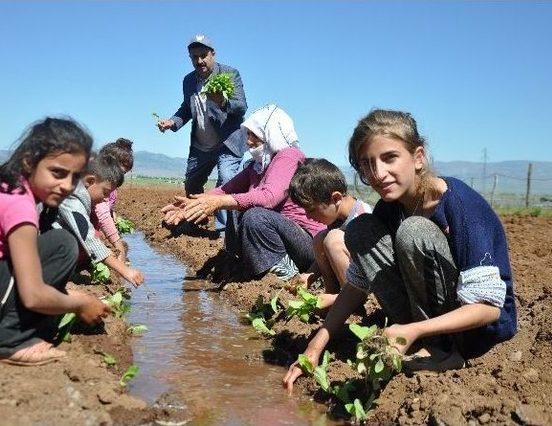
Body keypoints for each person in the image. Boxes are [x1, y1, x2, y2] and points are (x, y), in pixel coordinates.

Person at [283, 109, 517, 391]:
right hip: (422, 325)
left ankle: (442, 350)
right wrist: (317, 343)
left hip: (477, 333)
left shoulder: (461, 208)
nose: (378, 174)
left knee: (414, 231)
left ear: (418, 158)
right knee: (360, 230)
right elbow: (357, 283)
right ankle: (421, 340)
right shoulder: (388, 210)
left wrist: (414, 329)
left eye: (389, 158)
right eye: (367, 165)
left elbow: (490, 309)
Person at [0, 117, 111, 365]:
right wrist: (80, 303)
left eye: (74, 178)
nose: (66, 186)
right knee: (62, 245)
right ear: (29, 162)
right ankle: (6, 341)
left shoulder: (10, 189)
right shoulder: (18, 205)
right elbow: (33, 296)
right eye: (58, 173)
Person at [162, 104, 325, 281]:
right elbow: (225, 190)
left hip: (308, 243)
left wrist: (219, 202)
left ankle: (287, 276)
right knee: (236, 206)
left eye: (253, 134)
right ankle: (239, 262)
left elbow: (269, 198)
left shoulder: (288, 156)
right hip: (281, 238)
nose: (248, 141)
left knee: (255, 216)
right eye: (247, 134)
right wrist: (190, 204)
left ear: (269, 132)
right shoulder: (257, 165)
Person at [156, 34, 248, 232]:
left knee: (227, 179)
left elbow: (241, 107)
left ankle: (225, 233)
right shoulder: (188, 81)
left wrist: (222, 101)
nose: (199, 61)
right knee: (192, 183)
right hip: (201, 145)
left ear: (212, 54)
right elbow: (186, 109)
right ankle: (197, 219)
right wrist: (172, 122)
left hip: (228, 141)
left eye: (203, 55)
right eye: (194, 57)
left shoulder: (230, 74)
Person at [288, 158, 372, 308]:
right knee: (320, 239)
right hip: (353, 276)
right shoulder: (336, 217)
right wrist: (310, 275)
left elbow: (370, 267)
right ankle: (332, 293)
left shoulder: (363, 217)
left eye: (311, 209)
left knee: (332, 239)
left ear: (336, 198)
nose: (308, 216)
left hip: (368, 287)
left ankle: (352, 302)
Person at [52, 153, 145, 287]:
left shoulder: (83, 196)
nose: (106, 199)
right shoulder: (72, 198)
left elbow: (91, 229)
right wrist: (124, 270)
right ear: (90, 181)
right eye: (105, 193)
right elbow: (88, 237)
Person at [93, 138, 135, 262]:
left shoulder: (110, 189)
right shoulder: (96, 186)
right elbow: (102, 212)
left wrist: (113, 215)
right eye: (120, 172)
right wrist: (117, 245)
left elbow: (107, 210)